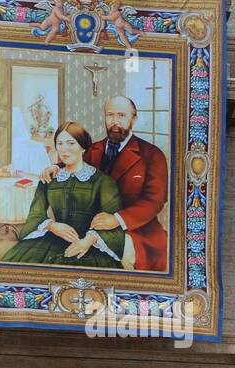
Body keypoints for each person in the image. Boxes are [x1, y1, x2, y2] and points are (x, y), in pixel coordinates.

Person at [40, 96, 169, 271]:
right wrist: (55, 166)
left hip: (135, 229)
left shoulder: (152, 155)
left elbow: (155, 200)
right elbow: (75, 160)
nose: (115, 122)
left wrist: (118, 219)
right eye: (110, 115)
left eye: (121, 116)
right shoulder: (94, 149)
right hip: (93, 225)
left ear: (134, 118)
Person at [1, 122, 125, 268]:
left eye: (71, 143)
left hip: (91, 244)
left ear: (83, 146)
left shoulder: (103, 182)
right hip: (51, 239)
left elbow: (113, 225)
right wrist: (52, 226)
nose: (64, 150)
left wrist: (87, 241)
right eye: (59, 143)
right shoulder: (49, 178)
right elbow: (35, 215)